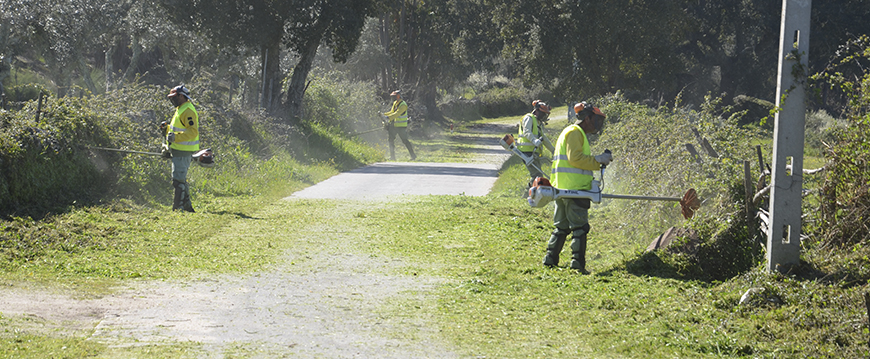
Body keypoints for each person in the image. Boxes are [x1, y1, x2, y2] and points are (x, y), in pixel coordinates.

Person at [542, 102, 611, 273]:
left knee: (562, 227)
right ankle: (577, 263)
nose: (597, 124)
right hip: (575, 189)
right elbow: (576, 159)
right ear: (587, 118)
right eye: (596, 120)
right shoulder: (575, 132)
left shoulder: (571, 132)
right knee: (580, 228)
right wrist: (598, 160)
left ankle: (550, 259)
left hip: (563, 188)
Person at [162, 85, 200, 212]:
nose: (172, 100)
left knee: (178, 180)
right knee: (180, 179)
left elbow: (193, 132)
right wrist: (166, 129)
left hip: (184, 150)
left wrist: (175, 138)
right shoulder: (181, 108)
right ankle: (187, 206)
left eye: (174, 97)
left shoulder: (187, 110)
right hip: (178, 149)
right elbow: (178, 129)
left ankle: (178, 207)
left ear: (182, 96)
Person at [516, 100, 555, 187]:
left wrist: (553, 150)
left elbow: (543, 138)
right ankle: (529, 194)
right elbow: (527, 132)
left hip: (533, 151)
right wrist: (534, 141)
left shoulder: (538, 123)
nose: (544, 116)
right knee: (536, 174)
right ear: (537, 110)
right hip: (526, 151)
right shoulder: (528, 118)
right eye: (543, 113)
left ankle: (530, 193)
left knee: (537, 174)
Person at [383, 90, 416, 161]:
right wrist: (383, 115)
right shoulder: (395, 103)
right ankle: (392, 157)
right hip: (394, 125)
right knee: (390, 140)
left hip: (401, 126)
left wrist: (387, 118)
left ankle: (413, 156)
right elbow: (392, 112)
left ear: (398, 96)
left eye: (394, 96)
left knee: (405, 141)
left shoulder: (403, 105)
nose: (392, 98)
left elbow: (397, 114)